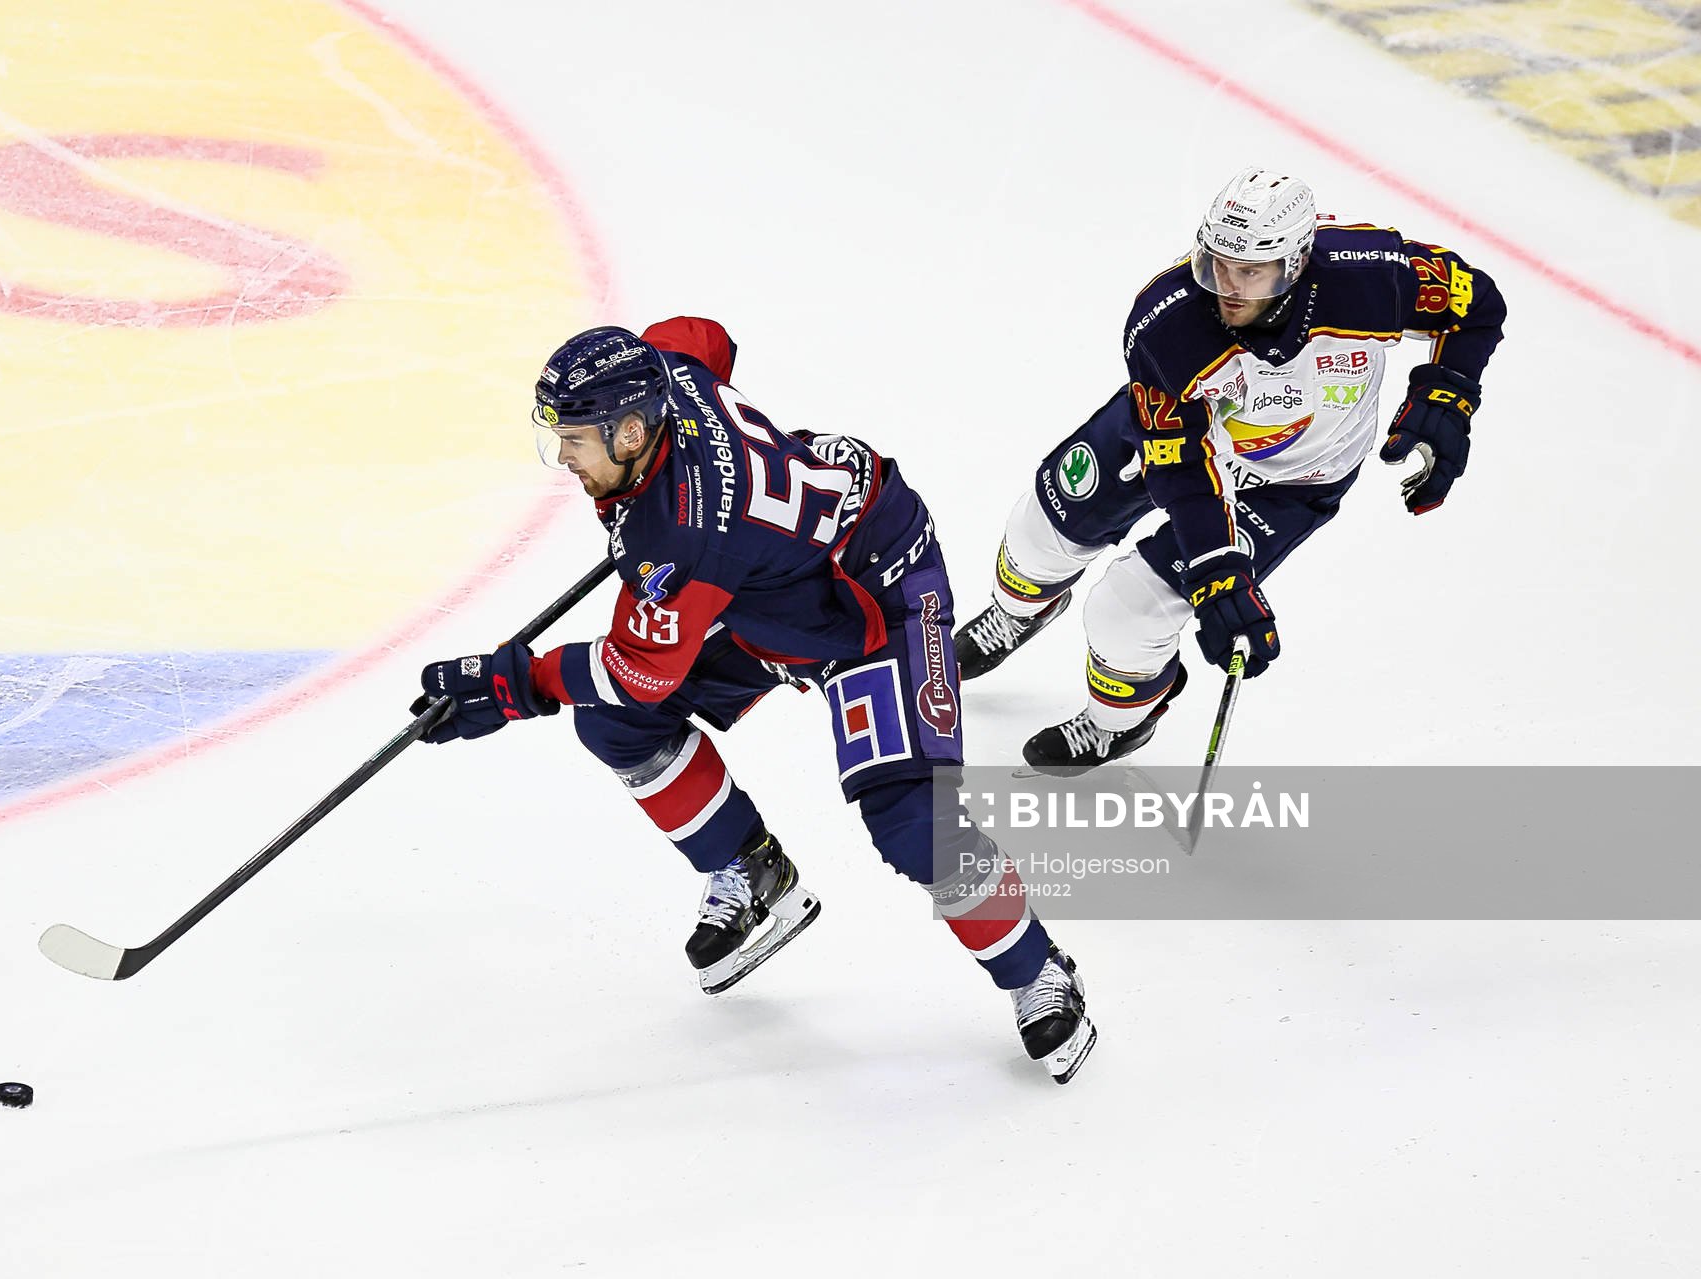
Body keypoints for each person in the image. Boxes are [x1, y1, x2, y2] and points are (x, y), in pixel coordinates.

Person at [414, 318, 1095, 1083]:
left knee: (916, 826)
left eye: (574, 439)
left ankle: (1039, 972)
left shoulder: (683, 538)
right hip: (767, 587)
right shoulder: (664, 377)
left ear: (631, 431)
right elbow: (703, 338)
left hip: (873, 598)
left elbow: (641, 669)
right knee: (617, 725)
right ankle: (756, 876)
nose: (563, 458)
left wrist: (515, 683)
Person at [954, 168, 1506, 769]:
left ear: (1294, 264)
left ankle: (1120, 721)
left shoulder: (1372, 277)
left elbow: (1475, 303)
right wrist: (1219, 569)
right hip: (1189, 436)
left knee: (1128, 611)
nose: (1228, 288)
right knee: (1044, 529)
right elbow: (1184, 467)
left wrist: (1447, 392)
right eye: (1217, 264)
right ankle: (1016, 612)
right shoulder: (1167, 327)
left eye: (1250, 271)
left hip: (1296, 480)